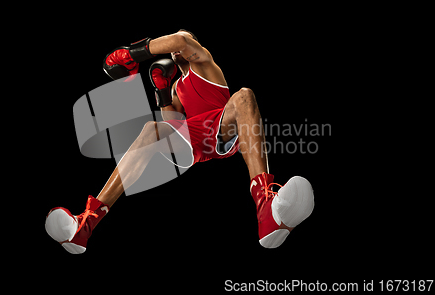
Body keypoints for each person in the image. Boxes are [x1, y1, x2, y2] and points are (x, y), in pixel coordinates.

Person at [45, 30, 315, 254]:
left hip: (222, 125)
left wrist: (132, 53)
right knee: (152, 128)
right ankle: (87, 222)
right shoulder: (177, 86)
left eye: (179, 48)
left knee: (244, 96)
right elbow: (172, 122)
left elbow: (181, 41)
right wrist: (162, 90)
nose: (175, 52)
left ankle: (265, 204)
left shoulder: (205, 64)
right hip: (195, 140)